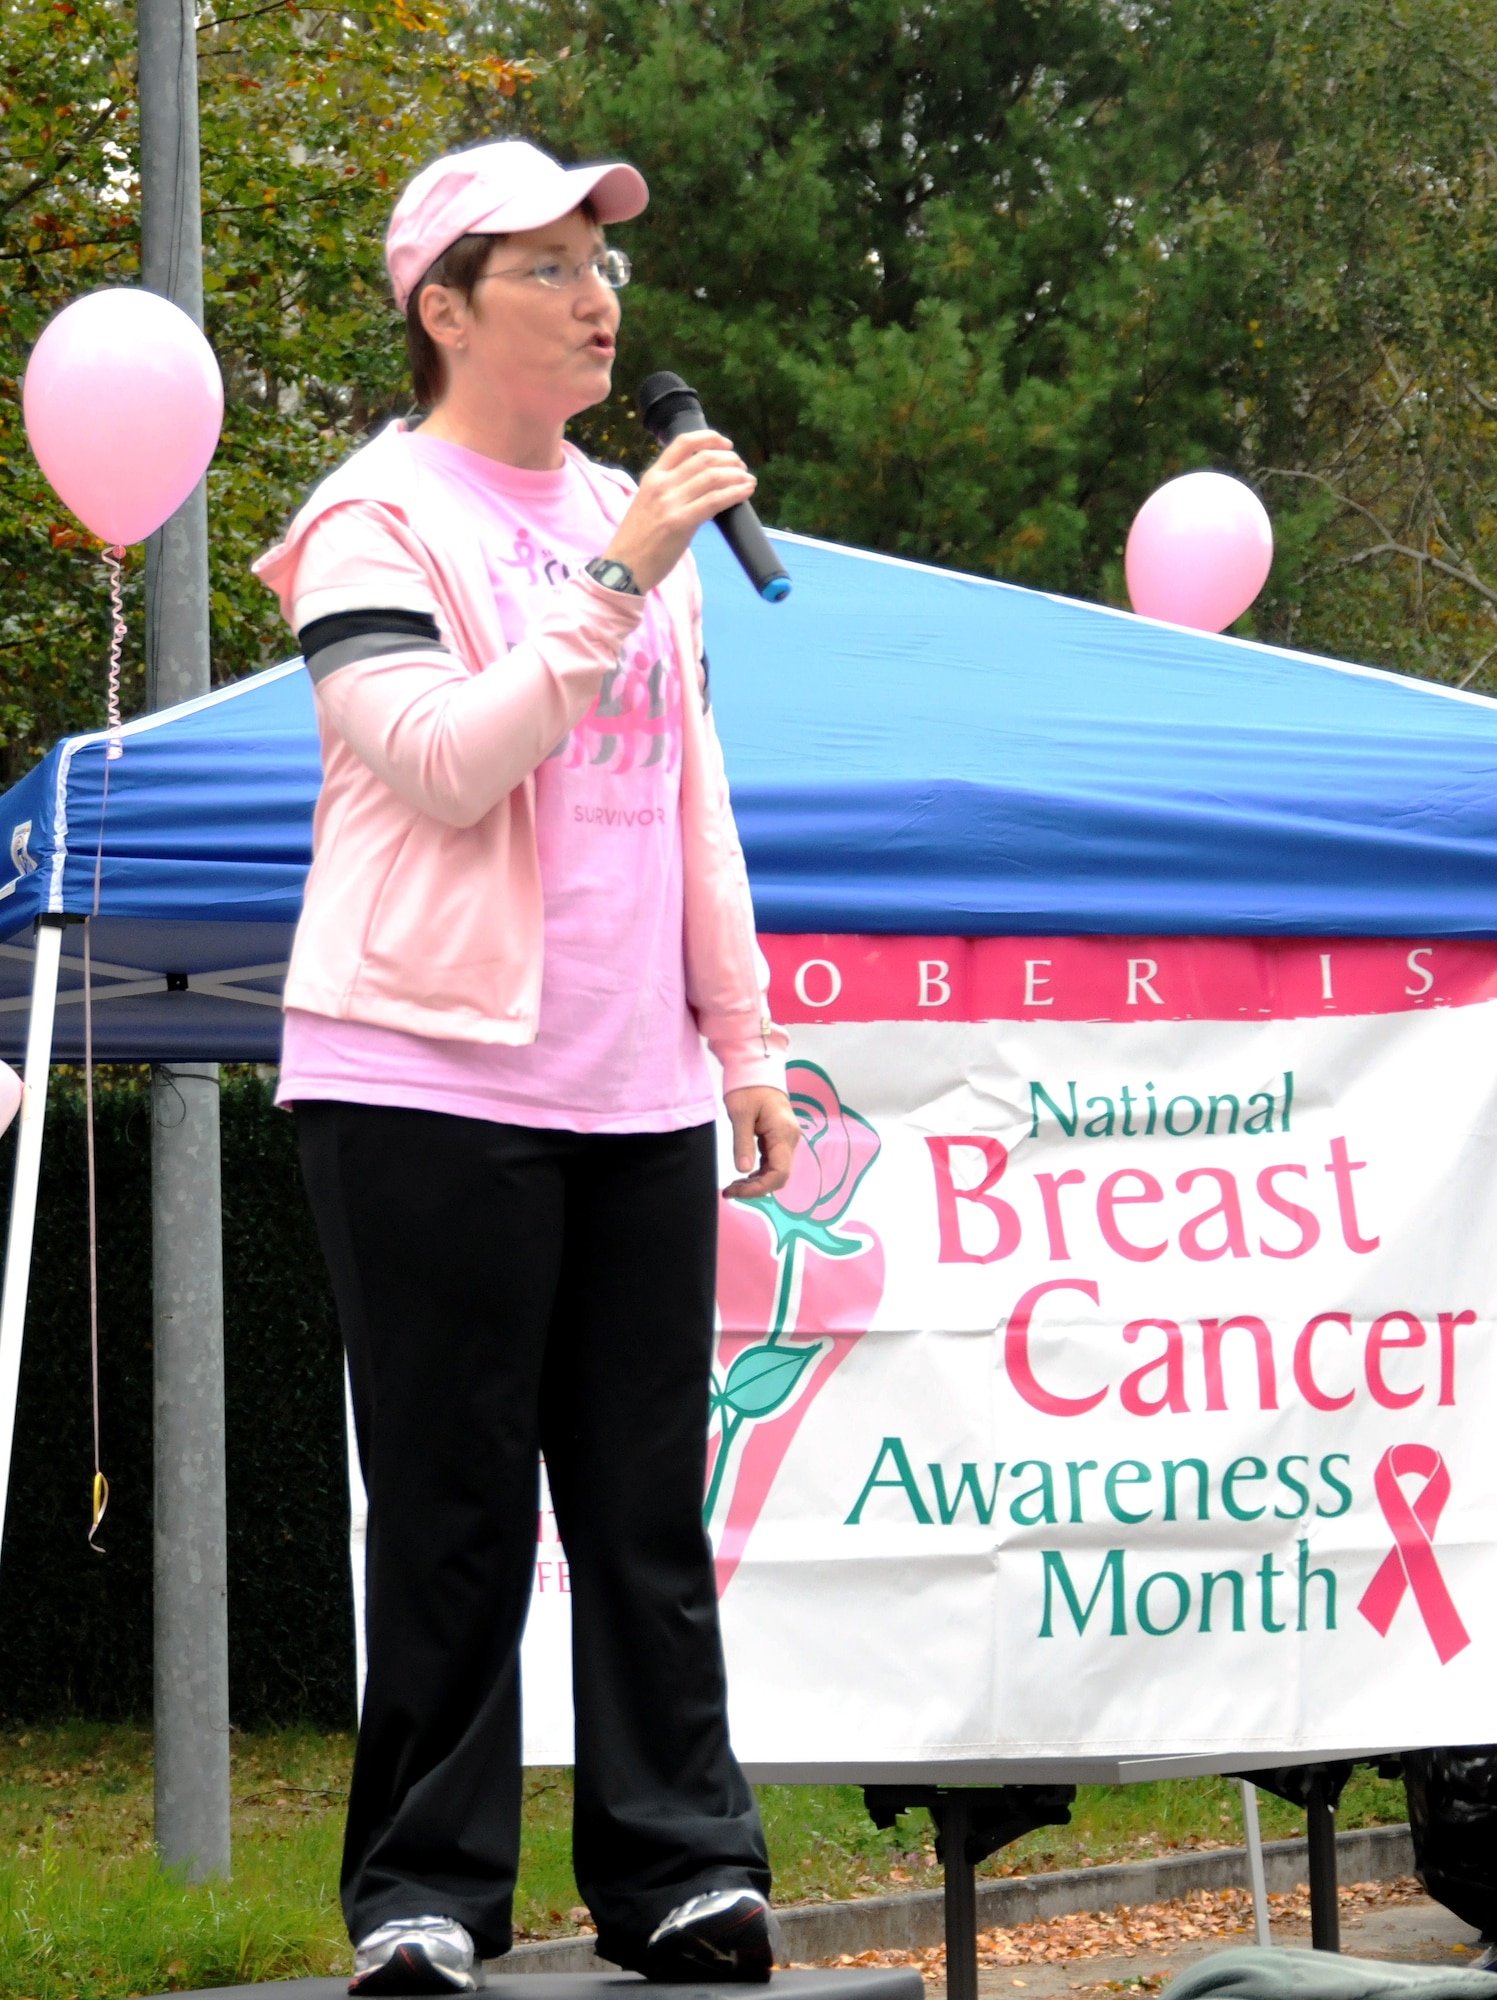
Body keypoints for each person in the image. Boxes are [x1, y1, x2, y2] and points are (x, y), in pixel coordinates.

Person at [253, 138, 800, 1996]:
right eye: (551, 265)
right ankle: (422, 1893)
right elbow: (438, 760)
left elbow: (690, 801)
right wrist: (615, 572)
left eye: (605, 265)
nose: (599, 298)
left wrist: (743, 1036)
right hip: (418, 1077)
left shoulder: (638, 530)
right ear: (444, 307)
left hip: (633, 1087)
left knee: (645, 1503)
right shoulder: (369, 518)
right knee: (456, 1497)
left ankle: (682, 1871)